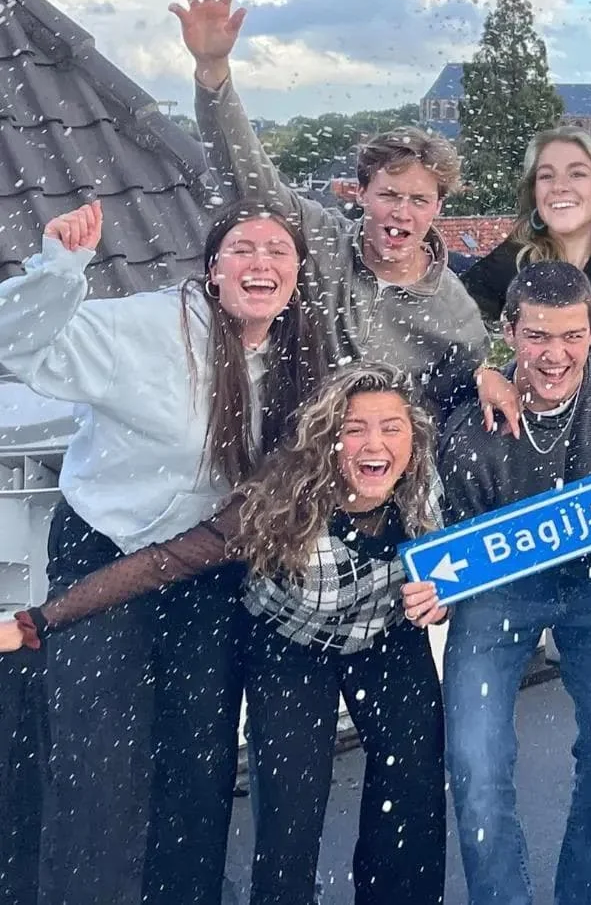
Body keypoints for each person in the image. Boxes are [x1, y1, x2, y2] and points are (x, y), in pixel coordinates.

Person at [2, 364, 447, 905]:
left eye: (392, 428)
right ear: (329, 441)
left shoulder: (427, 490)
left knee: (413, 792)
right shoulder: (279, 503)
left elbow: (466, 569)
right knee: (291, 812)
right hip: (290, 646)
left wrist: (440, 603)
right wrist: (40, 620)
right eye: (355, 429)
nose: (374, 444)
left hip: (384, 638)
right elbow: (165, 561)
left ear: (413, 440)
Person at [0, 200, 327, 905]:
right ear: (213, 269)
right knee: (96, 761)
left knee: (198, 761)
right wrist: (60, 270)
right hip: (102, 551)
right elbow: (20, 347)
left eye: (278, 251)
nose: (261, 263)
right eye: (243, 249)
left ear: (298, 275)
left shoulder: (298, 358)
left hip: (203, 570)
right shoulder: (148, 329)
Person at [401, 261, 591, 905]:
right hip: (500, 586)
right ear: (509, 333)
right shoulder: (467, 428)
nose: (556, 355)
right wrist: (433, 588)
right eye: (538, 336)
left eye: (572, 336)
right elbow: (443, 538)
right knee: (475, 764)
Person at [172, 0, 513, 421]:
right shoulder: (318, 241)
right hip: (287, 449)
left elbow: (464, 406)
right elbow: (248, 177)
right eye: (389, 195)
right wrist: (213, 70)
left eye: (418, 201)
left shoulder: (453, 311)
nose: (402, 212)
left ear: (438, 207)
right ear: (362, 193)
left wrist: (487, 375)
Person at [460, 126, 591, 329]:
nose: (559, 186)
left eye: (577, 174)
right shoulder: (497, 276)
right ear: (534, 193)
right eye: (546, 176)